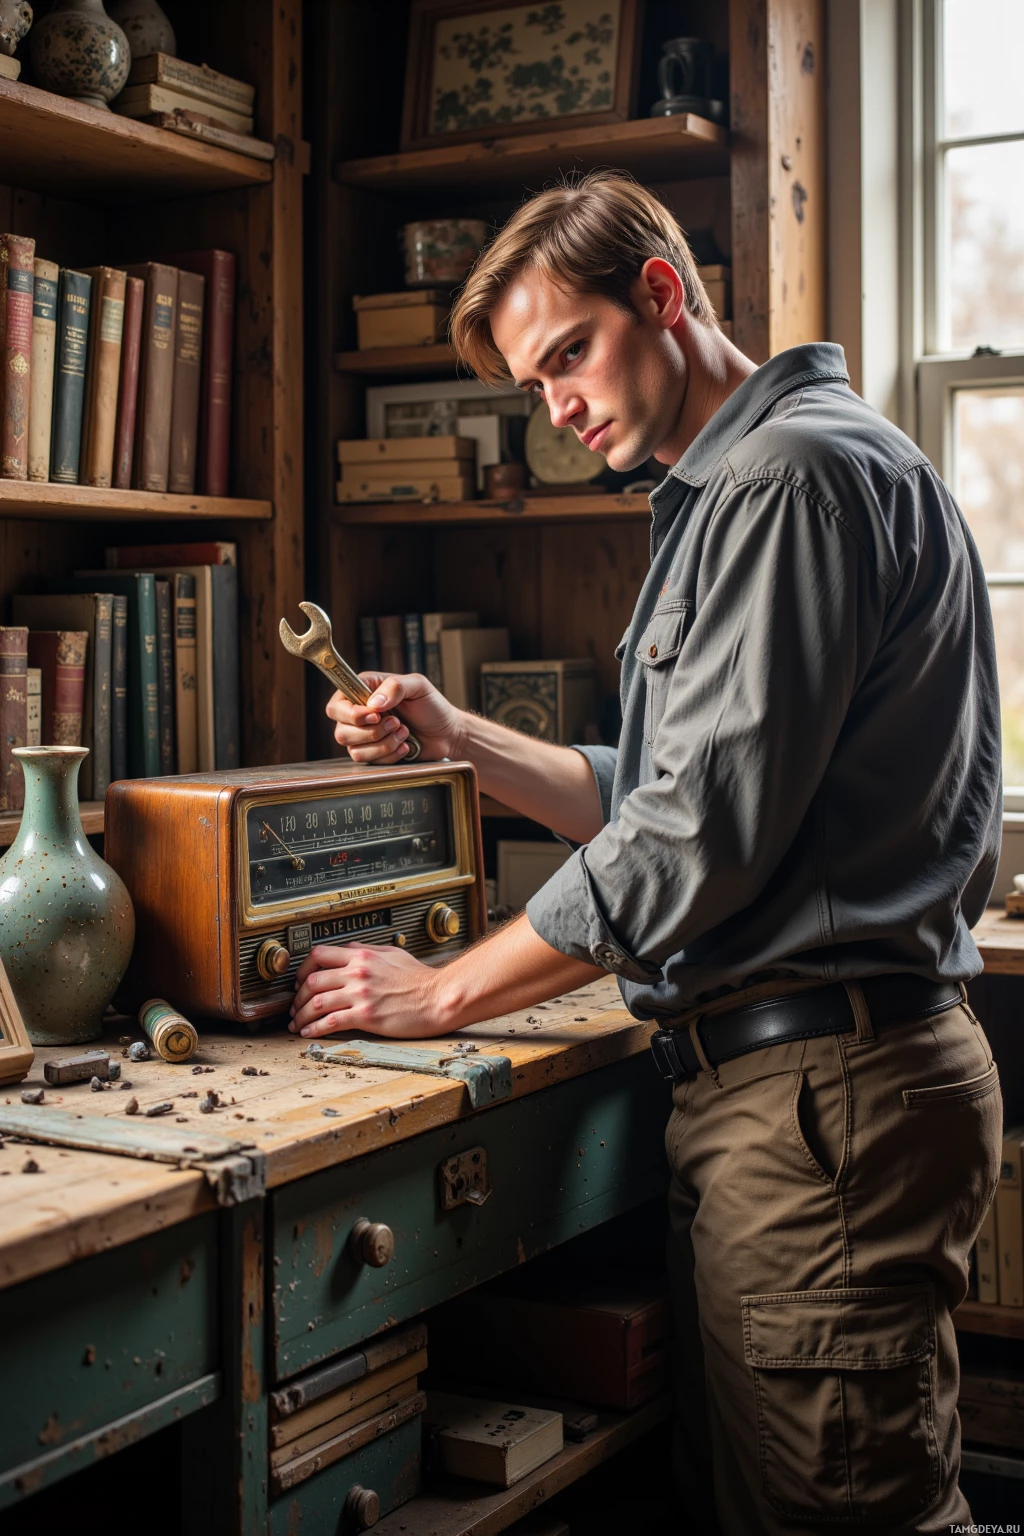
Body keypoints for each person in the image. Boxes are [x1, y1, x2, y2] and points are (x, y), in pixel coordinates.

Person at [290, 171, 1003, 1533]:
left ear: (663, 298)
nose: (553, 407)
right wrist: (464, 742)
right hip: (799, 1097)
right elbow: (660, 792)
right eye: (531, 381)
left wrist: (439, 994)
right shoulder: (749, 480)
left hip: (822, 1103)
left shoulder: (785, 482)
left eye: (569, 353)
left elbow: (695, 837)